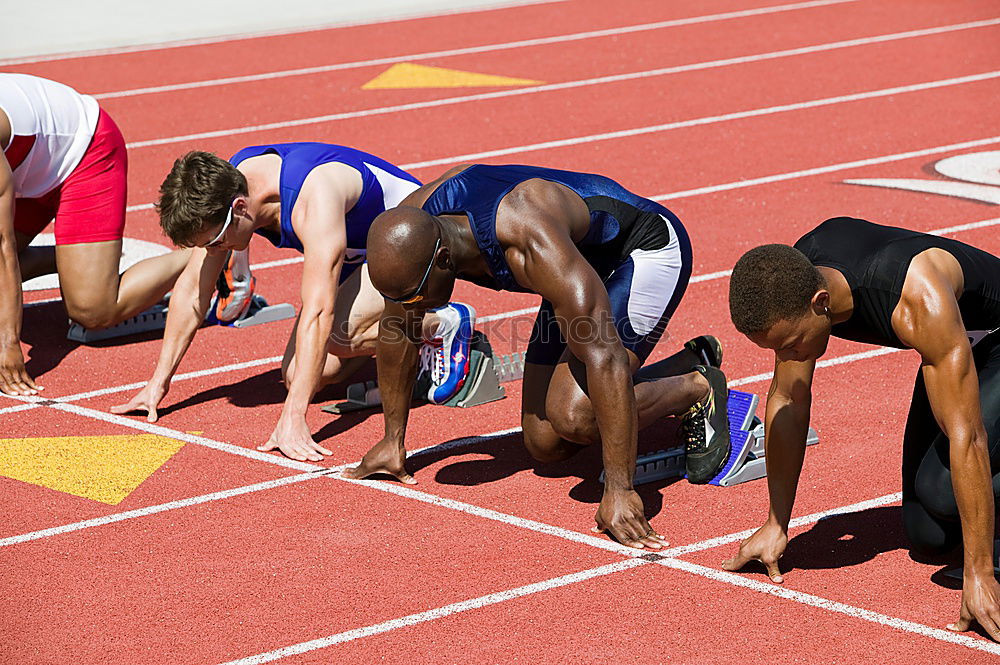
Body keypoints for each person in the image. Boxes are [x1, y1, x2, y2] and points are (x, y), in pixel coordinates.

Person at [344, 163, 731, 550]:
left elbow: (605, 357)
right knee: (545, 443)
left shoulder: (526, 237)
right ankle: (685, 363)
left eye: (414, 296)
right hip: (575, 265)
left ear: (444, 258)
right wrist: (393, 438)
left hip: (641, 250)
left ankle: (697, 387)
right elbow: (398, 328)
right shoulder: (412, 228)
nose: (411, 308)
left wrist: (620, 488)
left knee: (576, 416)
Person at [723, 217, 1000, 640]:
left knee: (942, 491)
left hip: (990, 340)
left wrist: (978, 575)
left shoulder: (915, 298)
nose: (787, 356)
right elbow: (788, 401)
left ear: (821, 303)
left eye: (792, 344)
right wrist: (777, 522)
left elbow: (968, 436)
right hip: (961, 345)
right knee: (928, 536)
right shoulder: (798, 277)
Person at [112, 144, 475, 462]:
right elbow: (192, 290)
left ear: (240, 208)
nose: (213, 253)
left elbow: (319, 309)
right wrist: (157, 383)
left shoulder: (315, 195)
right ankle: (402, 345)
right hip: (363, 252)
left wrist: (293, 418)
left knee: (335, 335)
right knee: (301, 375)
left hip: (417, 245)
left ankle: (440, 324)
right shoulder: (231, 186)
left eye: (216, 242)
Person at [0, 73, 193, 396]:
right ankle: (79, 262)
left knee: (92, 309)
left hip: (85, 151)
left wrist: (7, 342)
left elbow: (4, 247)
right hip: (27, 170)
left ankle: (205, 254)